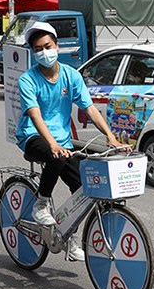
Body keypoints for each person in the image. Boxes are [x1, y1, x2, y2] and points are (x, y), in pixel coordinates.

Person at [15, 21, 125, 261]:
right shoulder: (27, 80)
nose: (44, 52)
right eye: (37, 49)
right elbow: (34, 114)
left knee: (84, 189)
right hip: (33, 136)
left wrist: (110, 137)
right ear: (33, 53)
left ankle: (69, 234)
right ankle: (41, 204)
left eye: (47, 46)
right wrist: (52, 143)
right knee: (55, 155)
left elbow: (90, 108)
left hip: (62, 141)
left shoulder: (71, 75)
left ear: (57, 46)